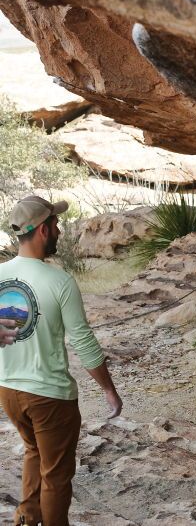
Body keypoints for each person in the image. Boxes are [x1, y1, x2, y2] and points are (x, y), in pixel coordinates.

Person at [0, 196, 123, 526]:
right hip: (50, 397)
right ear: (42, 230)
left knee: (33, 451)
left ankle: (25, 518)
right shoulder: (60, 282)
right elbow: (83, 342)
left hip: (9, 390)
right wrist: (109, 391)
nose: (60, 230)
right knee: (56, 477)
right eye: (55, 225)